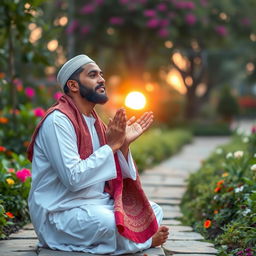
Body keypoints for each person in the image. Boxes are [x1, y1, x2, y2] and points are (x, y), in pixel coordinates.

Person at [27, 54, 169, 255]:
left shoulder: (96, 123)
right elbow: (73, 178)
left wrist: (123, 147)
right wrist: (111, 146)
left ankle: (130, 240)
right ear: (74, 85)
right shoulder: (58, 121)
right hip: (60, 213)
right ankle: (143, 242)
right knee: (109, 224)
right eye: (93, 75)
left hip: (96, 205)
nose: (102, 80)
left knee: (152, 210)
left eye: (101, 75)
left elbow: (118, 176)